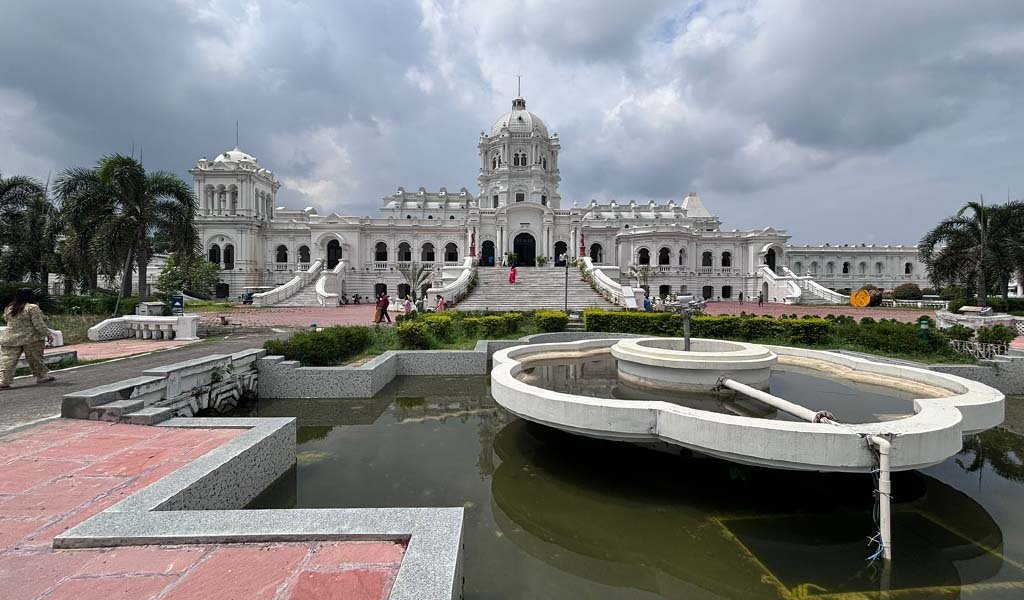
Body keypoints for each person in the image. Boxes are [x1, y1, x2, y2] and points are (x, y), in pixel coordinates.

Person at [1, 288, 56, 390]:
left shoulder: (10, 307)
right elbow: (38, 324)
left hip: (10, 338)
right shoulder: (32, 307)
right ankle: (42, 376)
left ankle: (3, 381)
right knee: (35, 358)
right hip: (31, 338)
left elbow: (6, 319)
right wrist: (48, 334)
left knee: (7, 361)